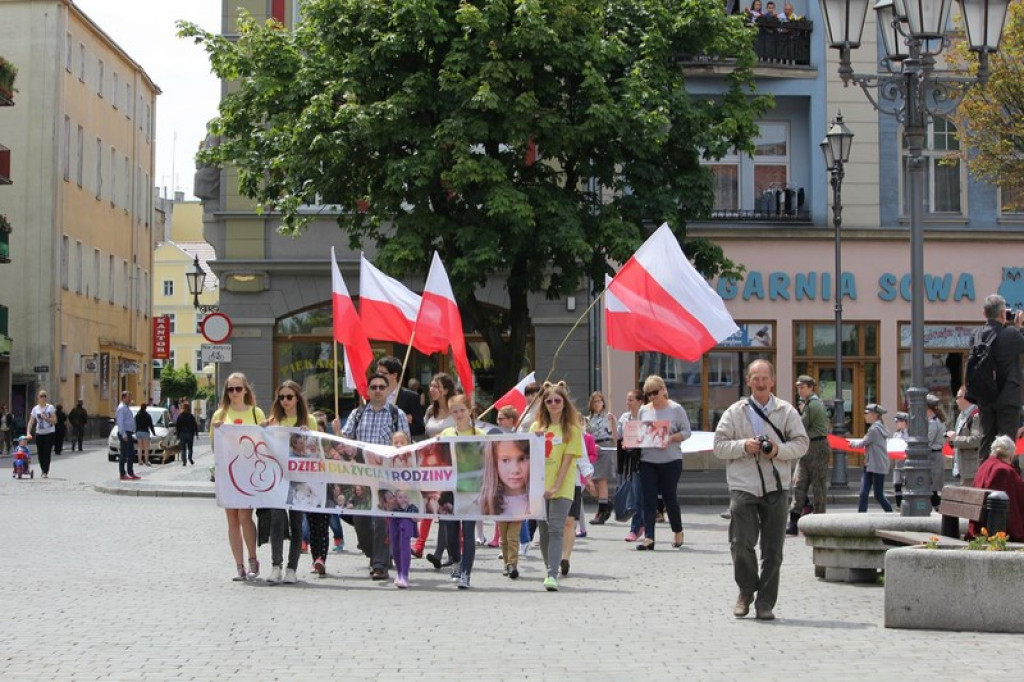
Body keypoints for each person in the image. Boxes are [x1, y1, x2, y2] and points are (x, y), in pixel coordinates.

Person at [714, 360, 808, 621]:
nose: (761, 382)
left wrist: (778, 450)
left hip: (777, 486)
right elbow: (719, 446)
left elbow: (802, 444)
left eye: (765, 377)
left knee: (773, 550)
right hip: (743, 485)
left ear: (773, 381)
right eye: (755, 377)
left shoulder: (786, 411)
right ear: (748, 381)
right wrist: (744, 446)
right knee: (740, 543)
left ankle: (765, 603)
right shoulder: (735, 412)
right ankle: (746, 591)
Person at [337, 372, 410, 581]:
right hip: (363, 475)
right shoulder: (357, 414)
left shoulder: (397, 414)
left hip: (387, 476)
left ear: (388, 390)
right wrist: (337, 434)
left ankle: (379, 565)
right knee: (360, 522)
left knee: (381, 521)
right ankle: (377, 554)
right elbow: (346, 441)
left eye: (381, 387)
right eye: (374, 387)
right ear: (367, 391)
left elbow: (406, 444)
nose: (377, 390)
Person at [211, 373, 267, 581]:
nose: (234, 393)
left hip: (249, 471)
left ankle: (253, 560)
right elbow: (214, 446)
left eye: (237, 388)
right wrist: (218, 432)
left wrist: (263, 430)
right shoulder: (219, 415)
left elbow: (265, 440)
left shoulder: (256, 413)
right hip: (228, 472)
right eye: (230, 389)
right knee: (232, 519)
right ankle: (239, 566)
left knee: (245, 516)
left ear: (245, 390)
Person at [265, 380, 318, 584]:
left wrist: (308, 436)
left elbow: (316, 451)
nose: (285, 401)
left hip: (300, 480)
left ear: (297, 398)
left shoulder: (309, 420)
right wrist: (264, 430)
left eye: (289, 396)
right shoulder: (273, 421)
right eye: (281, 397)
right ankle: (275, 565)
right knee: (277, 520)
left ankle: (292, 568)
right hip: (278, 479)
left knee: (297, 523)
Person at [530, 381, 582, 592]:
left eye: (557, 400)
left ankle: (552, 573)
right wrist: (534, 439)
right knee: (543, 532)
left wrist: (556, 487)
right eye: (549, 400)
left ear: (564, 402)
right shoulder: (536, 427)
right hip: (539, 486)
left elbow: (567, 462)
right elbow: (528, 454)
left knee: (556, 528)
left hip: (562, 486)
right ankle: (549, 567)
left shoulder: (571, 429)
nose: (553, 404)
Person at [635, 375, 691, 551]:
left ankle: (678, 530)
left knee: (669, 497)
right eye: (648, 394)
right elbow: (639, 432)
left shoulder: (676, 409)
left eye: (654, 392)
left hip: (670, 460)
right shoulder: (644, 410)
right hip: (648, 460)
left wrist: (672, 437)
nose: (652, 397)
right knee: (648, 499)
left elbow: (687, 431)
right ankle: (649, 537)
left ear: (663, 390)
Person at [439, 394, 487, 589]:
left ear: (470, 411)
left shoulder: (480, 436)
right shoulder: (446, 433)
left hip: (471, 491)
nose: (459, 414)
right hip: (449, 490)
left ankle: (466, 573)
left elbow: (488, 460)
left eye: (462, 410)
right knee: (450, 533)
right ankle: (456, 562)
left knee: (468, 532)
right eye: (455, 411)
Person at [970, 295, 1024, 459]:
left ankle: (985, 479)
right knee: (1006, 442)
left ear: (984, 313)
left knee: (987, 440)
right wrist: (1018, 326)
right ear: (1002, 314)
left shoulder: (976, 335)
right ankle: (1002, 479)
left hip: (985, 396)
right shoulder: (1012, 334)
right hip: (1008, 397)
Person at [416, 372, 456, 561]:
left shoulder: (456, 410)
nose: (431, 389)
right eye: (430, 386)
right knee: (431, 504)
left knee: (445, 507)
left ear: (446, 390)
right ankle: (422, 546)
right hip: (431, 465)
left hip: (450, 464)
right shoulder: (430, 412)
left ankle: (448, 551)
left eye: (436, 386)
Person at [480, 437, 530, 579]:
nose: (514, 469)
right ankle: (506, 564)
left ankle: (512, 564)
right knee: (504, 538)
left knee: (512, 536)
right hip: (501, 509)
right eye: (505, 460)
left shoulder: (525, 489)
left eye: (520, 459)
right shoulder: (495, 489)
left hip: (518, 508)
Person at [787, 375, 829, 535]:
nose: (799, 390)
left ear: (811, 387)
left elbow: (800, 426)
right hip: (808, 447)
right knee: (799, 483)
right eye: (798, 387)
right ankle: (794, 520)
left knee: (817, 486)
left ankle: (819, 522)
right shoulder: (811, 404)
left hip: (816, 447)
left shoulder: (813, 405)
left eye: (802, 387)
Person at [969, 435, 1024, 541]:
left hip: (979, 520)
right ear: (1010, 455)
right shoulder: (1003, 470)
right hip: (992, 525)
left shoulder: (985, 465)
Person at [850, 404, 893, 513]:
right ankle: (861, 517)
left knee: (878, 495)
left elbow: (863, 442)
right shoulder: (877, 428)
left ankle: (890, 513)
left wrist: (850, 443)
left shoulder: (874, 429)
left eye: (866, 413)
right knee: (863, 493)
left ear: (874, 415)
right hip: (870, 465)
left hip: (876, 466)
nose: (865, 416)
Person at [584, 391, 617, 525]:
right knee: (589, 482)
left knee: (602, 481)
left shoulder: (608, 417)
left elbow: (615, 438)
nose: (598, 404)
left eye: (600, 401)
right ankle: (606, 502)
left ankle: (601, 511)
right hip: (593, 448)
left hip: (605, 446)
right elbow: (586, 436)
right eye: (595, 401)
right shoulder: (587, 419)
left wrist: (614, 423)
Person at [618, 389, 645, 542]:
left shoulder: (647, 416)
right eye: (627, 400)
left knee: (643, 495)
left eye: (631, 400)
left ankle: (642, 524)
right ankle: (635, 528)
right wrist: (614, 424)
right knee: (635, 495)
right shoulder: (624, 417)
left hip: (646, 458)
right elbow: (619, 438)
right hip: (631, 461)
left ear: (640, 401)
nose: (627, 403)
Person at [376, 356, 425, 439]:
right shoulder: (374, 395)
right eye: (377, 372)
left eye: (383, 373)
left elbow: (419, 428)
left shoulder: (411, 397)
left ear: (394, 375)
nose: (378, 376)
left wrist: (400, 422)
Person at [947, 385, 982, 486]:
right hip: (962, 469)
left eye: (958, 397)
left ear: (965, 397)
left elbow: (976, 440)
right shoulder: (961, 415)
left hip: (972, 470)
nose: (956, 400)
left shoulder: (976, 415)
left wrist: (954, 440)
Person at [27, 390, 57, 479]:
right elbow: (31, 421)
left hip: (49, 433)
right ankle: (42, 468)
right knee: (40, 453)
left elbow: (55, 421)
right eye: (41, 396)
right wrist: (28, 432)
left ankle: (45, 471)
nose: (43, 398)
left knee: (47, 452)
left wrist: (47, 418)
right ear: (38, 398)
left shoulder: (50, 407)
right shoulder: (35, 409)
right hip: (39, 433)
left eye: (45, 396)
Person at [926, 394, 946, 510]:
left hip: (933, 456)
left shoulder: (933, 423)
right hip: (933, 456)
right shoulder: (934, 421)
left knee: (932, 489)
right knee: (931, 489)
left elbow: (928, 441)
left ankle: (940, 511)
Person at [114, 391, 139, 482]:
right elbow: (120, 422)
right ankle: (122, 473)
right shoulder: (121, 408)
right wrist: (123, 434)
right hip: (125, 433)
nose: (130, 399)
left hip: (129, 433)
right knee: (124, 454)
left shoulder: (126, 408)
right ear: (124, 398)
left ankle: (130, 472)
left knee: (131, 453)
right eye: (129, 397)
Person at [892, 412, 909, 508]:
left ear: (904, 422)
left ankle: (907, 504)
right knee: (897, 485)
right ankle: (899, 505)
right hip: (898, 464)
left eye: (898, 421)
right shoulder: (896, 434)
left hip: (906, 464)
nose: (897, 423)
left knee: (908, 485)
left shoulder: (910, 434)